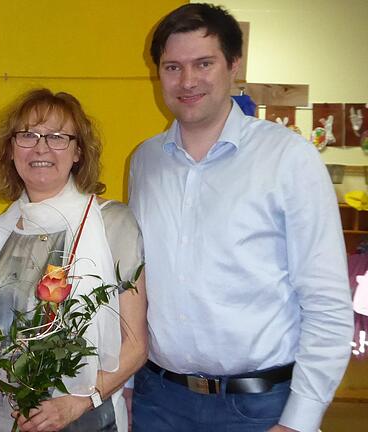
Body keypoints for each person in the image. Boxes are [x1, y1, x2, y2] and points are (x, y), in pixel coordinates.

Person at [128, 4, 354, 431]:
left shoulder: (288, 159)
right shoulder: (145, 161)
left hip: (259, 408)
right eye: (172, 66)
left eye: (204, 63)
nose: (187, 80)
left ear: (234, 65)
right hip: (158, 398)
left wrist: (300, 420)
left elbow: (326, 302)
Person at [0, 88, 147, 432]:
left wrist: (77, 403)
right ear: (11, 150)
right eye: (27, 135)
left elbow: (136, 345)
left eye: (57, 136)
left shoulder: (112, 223)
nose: (41, 147)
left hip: (79, 417)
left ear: (77, 152)